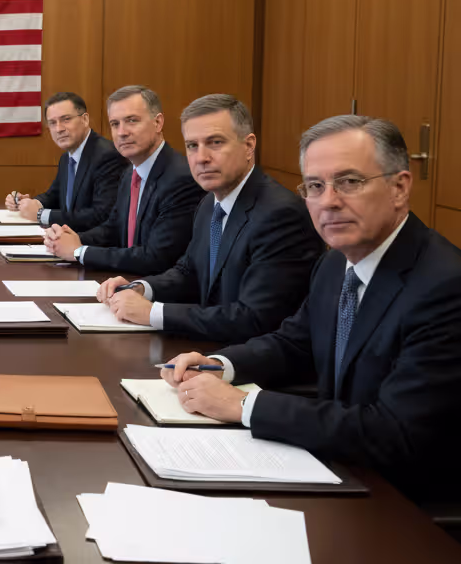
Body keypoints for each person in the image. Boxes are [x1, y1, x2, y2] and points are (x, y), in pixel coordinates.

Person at [161, 116, 461, 503]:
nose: (329, 201)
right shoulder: (337, 261)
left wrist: (244, 405)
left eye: (350, 182)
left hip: (406, 503)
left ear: (400, 187)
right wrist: (221, 364)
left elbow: (395, 433)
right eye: (316, 186)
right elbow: (296, 342)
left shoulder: (444, 286)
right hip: (339, 464)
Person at [95, 95, 322, 341]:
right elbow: (188, 271)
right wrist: (142, 288)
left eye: (215, 142)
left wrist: (153, 313)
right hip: (207, 348)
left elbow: (255, 318)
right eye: (192, 145)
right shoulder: (209, 202)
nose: (201, 158)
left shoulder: (280, 215)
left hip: (253, 365)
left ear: (248, 146)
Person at [43, 85, 204, 274]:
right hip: (125, 284)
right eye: (115, 124)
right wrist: (69, 238)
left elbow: (156, 258)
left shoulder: (181, 179)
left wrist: (79, 251)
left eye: (132, 121)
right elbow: (112, 229)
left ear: (158, 123)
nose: (121, 132)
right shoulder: (130, 173)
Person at [4, 91, 126, 229]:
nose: (59, 129)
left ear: (85, 119)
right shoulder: (66, 158)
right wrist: (28, 203)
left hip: (93, 245)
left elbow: (101, 215)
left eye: (66, 119)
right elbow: (53, 196)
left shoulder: (108, 156)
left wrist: (40, 215)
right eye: (52, 123)